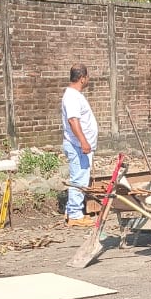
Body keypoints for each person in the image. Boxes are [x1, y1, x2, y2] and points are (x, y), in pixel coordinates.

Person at [61, 64, 98, 228]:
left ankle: (72, 211)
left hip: (79, 145)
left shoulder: (74, 96)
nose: (88, 79)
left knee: (80, 177)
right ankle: (75, 215)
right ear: (82, 78)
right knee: (79, 179)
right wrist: (83, 141)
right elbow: (73, 120)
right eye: (87, 77)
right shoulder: (72, 97)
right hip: (77, 146)